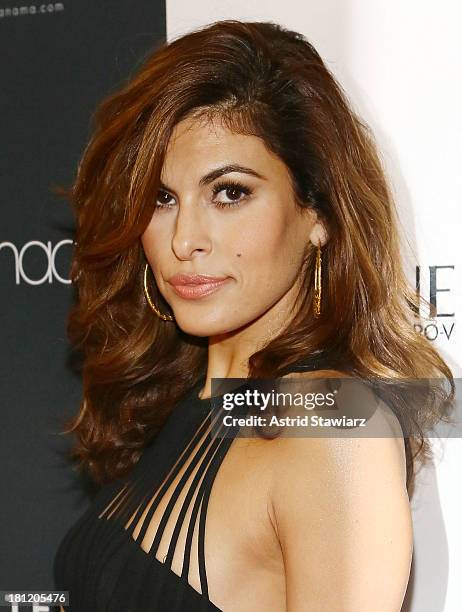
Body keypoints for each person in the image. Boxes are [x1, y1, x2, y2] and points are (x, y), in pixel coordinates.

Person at [53, 19, 454, 611]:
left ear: (317, 213)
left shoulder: (332, 429)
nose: (185, 238)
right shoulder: (184, 404)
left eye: (230, 192)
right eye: (163, 199)